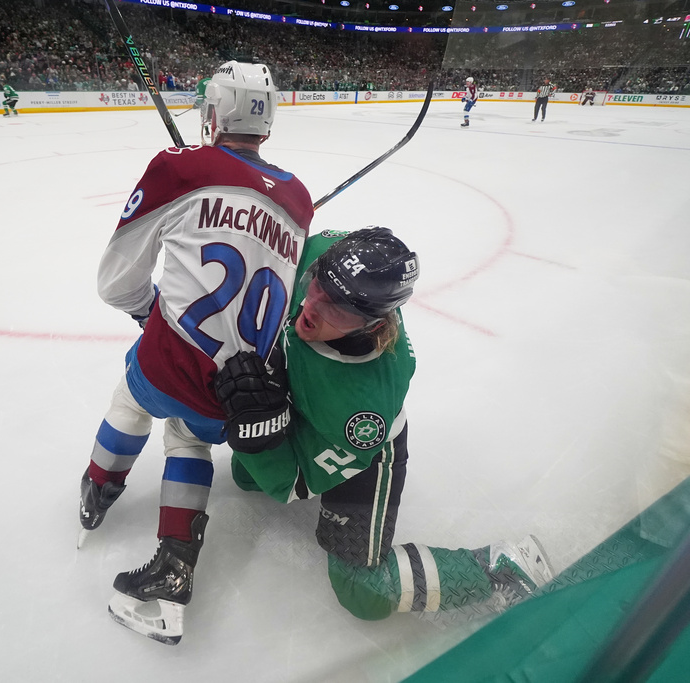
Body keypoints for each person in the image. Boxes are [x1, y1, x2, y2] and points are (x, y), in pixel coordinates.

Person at [78, 61, 314, 645]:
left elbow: (115, 284)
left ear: (212, 112)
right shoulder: (299, 199)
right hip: (236, 389)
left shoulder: (179, 168)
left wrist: (146, 312)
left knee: (131, 399)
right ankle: (173, 567)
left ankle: (99, 486)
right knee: (188, 436)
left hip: (170, 361)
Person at [215, 227, 555, 622]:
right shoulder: (330, 258)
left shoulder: (359, 413)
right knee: (245, 478)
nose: (311, 306)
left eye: (337, 311)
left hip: (366, 454)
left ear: (373, 324)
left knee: (362, 592)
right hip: (308, 399)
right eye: (317, 285)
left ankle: (497, 570)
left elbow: (294, 483)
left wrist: (256, 433)